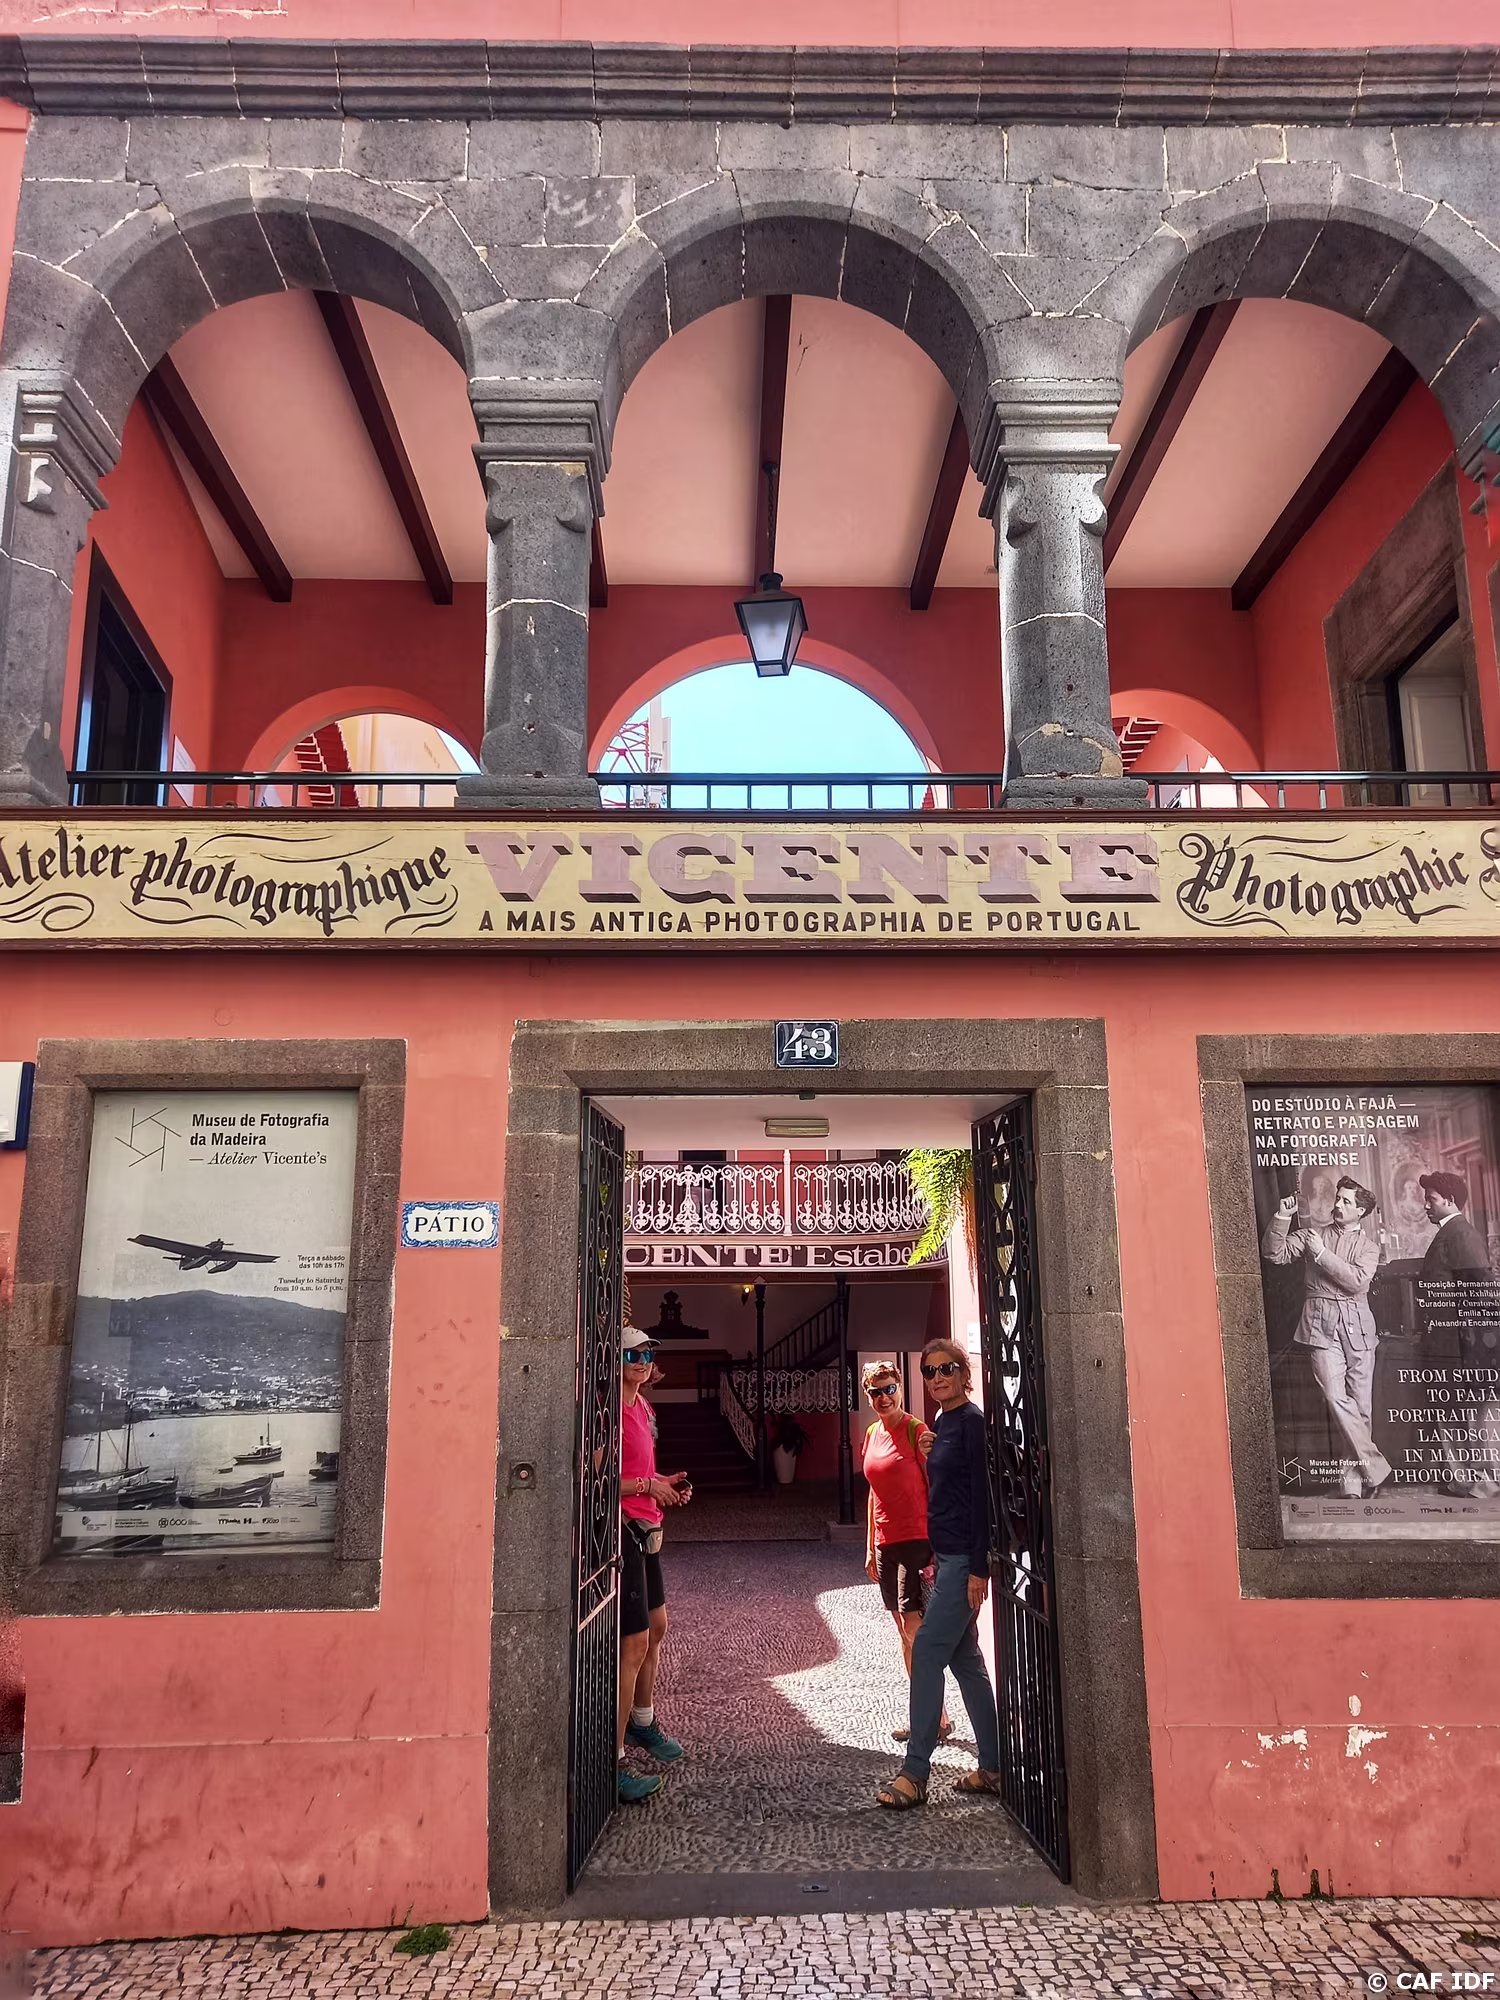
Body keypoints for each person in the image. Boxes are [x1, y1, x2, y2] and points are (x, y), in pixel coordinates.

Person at [876, 1337, 1001, 1810]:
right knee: (966, 1660)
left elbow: (982, 1499)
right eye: (929, 1371)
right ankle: (994, 1768)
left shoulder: (971, 1423)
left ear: (964, 1374)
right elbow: (948, 1490)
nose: (937, 1377)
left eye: (947, 1368)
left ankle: (915, 1773)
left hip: (962, 1562)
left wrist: (978, 1568)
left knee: (927, 1651)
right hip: (945, 1558)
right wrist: (931, 1450)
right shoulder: (944, 1423)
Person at [1261, 1176, 1390, 1498]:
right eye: (1338, 1198)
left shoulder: (1369, 1248)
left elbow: (1357, 1282)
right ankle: (1375, 1469)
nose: (1338, 1205)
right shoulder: (1313, 1235)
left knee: (1361, 1407)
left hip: (1359, 1330)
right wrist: (1283, 1216)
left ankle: (1353, 1485)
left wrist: (1321, 1255)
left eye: (1346, 1201)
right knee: (1335, 1397)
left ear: (1361, 1211)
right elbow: (1274, 1254)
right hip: (1321, 1327)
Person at [617, 1330, 691, 1804]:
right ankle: (612, 1760)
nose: (642, 1360)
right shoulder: (606, 1410)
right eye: (632, 1353)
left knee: (657, 1627)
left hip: (648, 1524)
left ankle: (642, 1722)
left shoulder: (643, 1406)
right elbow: (598, 1476)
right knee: (634, 1642)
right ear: (614, 1358)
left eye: (647, 1353)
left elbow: (641, 1471)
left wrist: (665, 1483)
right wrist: (647, 1486)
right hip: (621, 1528)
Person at [859, 1360, 949, 1744]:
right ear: (868, 1396)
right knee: (902, 1628)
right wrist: (869, 1545)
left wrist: (938, 1545)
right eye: (875, 1392)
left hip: (915, 1539)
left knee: (915, 1627)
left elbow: (937, 1485)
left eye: (889, 1389)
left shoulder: (917, 1431)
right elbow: (873, 1492)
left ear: (900, 1387)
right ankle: (934, 1716)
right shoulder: (872, 1433)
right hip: (885, 1542)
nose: (883, 1397)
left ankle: (929, 1717)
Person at [1417, 1172, 1500, 1497]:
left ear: (1450, 1201)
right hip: (1449, 1342)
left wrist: (1476, 1347)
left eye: (1432, 1199)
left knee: (1475, 1414)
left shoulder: (1461, 1233)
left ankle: (1484, 1484)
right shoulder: (1451, 1232)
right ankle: (1465, 1481)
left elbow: (1483, 1292)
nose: (1426, 1205)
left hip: (1464, 1344)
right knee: (1454, 1411)